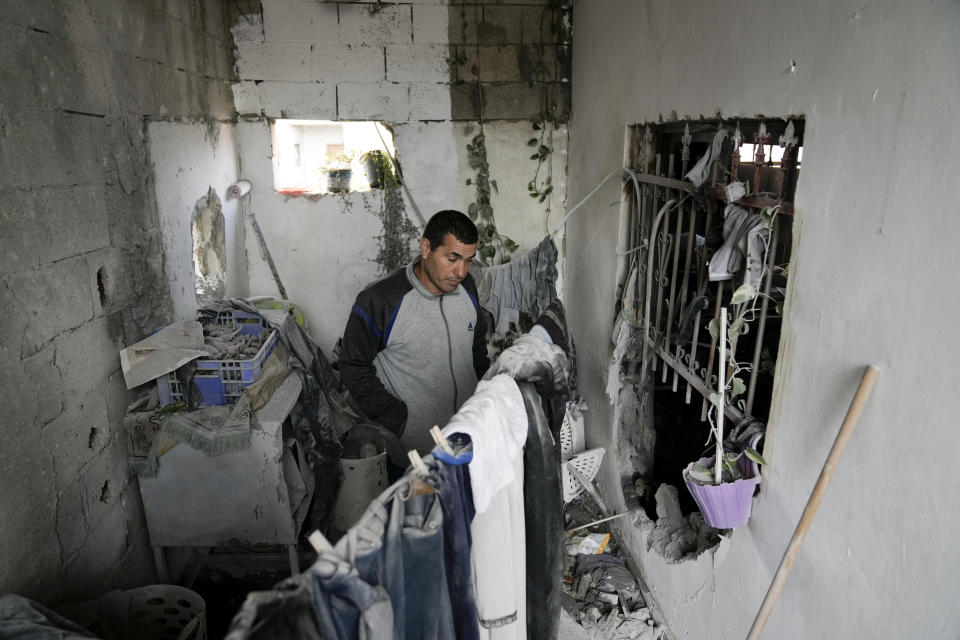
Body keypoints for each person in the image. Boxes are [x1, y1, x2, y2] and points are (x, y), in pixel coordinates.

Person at [339, 210, 490, 454]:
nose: (461, 272)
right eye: (452, 258)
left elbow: (477, 350)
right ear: (426, 248)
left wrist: (484, 399)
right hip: (414, 452)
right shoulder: (380, 300)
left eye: (469, 260)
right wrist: (399, 421)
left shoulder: (467, 288)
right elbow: (352, 365)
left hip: (470, 438)